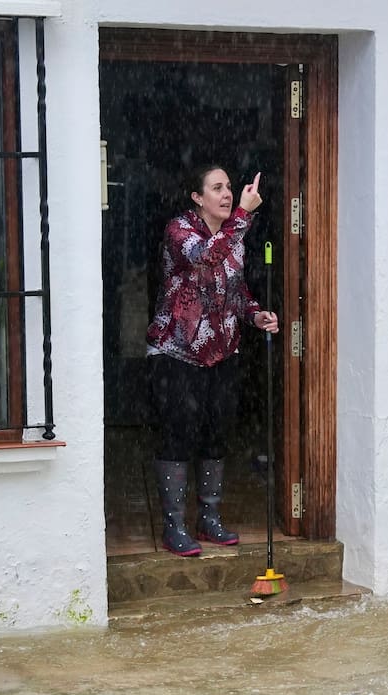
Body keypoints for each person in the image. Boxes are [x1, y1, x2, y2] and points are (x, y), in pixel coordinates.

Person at [146, 165, 279, 557]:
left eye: (229, 188)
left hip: (222, 352)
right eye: (216, 188)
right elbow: (205, 259)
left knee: (216, 434)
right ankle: (174, 527)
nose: (226, 194)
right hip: (176, 353)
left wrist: (255, 314)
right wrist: (244, 215)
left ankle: (210, 519)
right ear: (197, 197)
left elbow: (234, 290)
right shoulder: (179, 231)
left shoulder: (234, 237)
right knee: (177, 435)